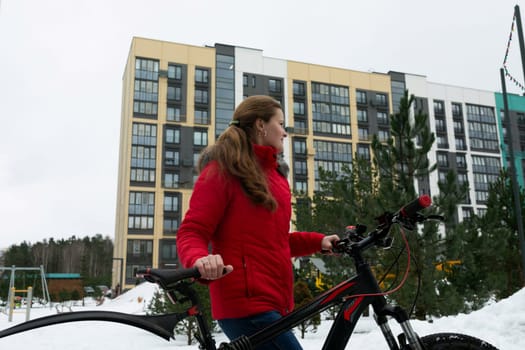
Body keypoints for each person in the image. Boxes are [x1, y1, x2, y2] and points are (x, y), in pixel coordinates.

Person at [176, 95, 339, 350]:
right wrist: (200, 259)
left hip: (274, 302)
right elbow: (192, 231)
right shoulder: (223, 170)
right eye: (281, 124)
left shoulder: (275, 177)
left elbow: (276, 242)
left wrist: (319, 241)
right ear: (261, 125)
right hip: (245, 305)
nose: (285, 133)